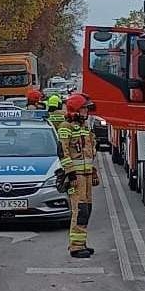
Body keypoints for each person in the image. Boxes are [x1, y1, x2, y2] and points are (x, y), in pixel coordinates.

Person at [56, 93, 99, 258]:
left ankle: (82, 242)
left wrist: (93, 171)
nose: (86, 112)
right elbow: (63, 152)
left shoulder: (84, 127)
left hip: (86, 175)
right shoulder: (65, 127)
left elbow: (88, 153)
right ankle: (75, 247)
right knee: (79, 210)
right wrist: (71, 175)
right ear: (75, 109)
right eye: (84, 109)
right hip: (76, 177)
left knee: (86, 210)